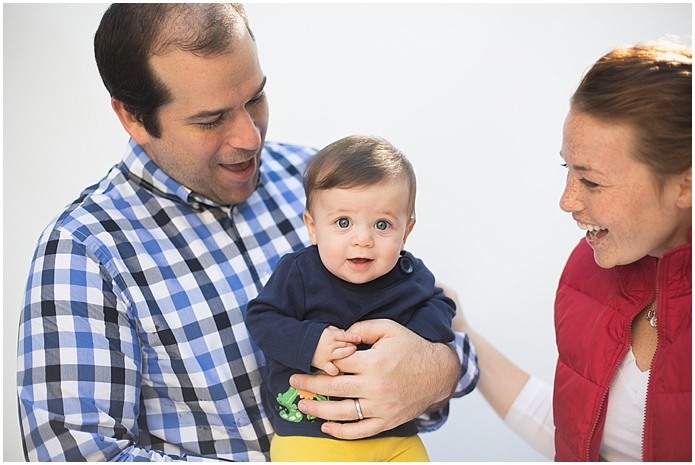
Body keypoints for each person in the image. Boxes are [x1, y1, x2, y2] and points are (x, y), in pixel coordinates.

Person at [16, 4, 478, 461]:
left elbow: (446, 334)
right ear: (132, 117)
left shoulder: (319, 183)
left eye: (255, 98)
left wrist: (438, 370)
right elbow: (83, 456)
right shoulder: (84, 253)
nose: (250, 137)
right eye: (210, 119)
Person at [455, 41, 691, 462]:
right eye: (568, 170)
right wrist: (461, 331)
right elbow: (583, 435)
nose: (567, 201)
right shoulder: (591, 267)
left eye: (592, 181)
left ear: (685, 184)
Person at [245, 135, 462, 461]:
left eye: (382, 224)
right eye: (343, 222)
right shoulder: (299, 273)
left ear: (406, 233)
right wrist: (311, 343)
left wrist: (415, 344)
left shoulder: (409, 275)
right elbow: (262, 319)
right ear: (313, 227)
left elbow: (442, 305)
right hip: (311, 436)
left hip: (394, 435)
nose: (363, 239)